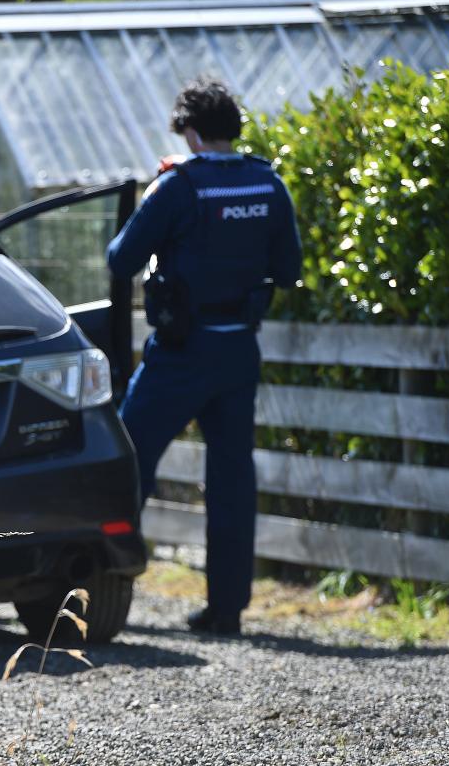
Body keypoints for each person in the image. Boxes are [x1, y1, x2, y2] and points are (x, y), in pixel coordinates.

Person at [106, 77, 302, 635]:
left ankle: (101, 585)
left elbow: (121, 260)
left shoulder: (178, 187)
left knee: (127, 460)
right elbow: (288, 270)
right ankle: (227, 609)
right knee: (232, 479)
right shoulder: (269, 184)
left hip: (180, 354)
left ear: (191, 133)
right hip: (240, 348)